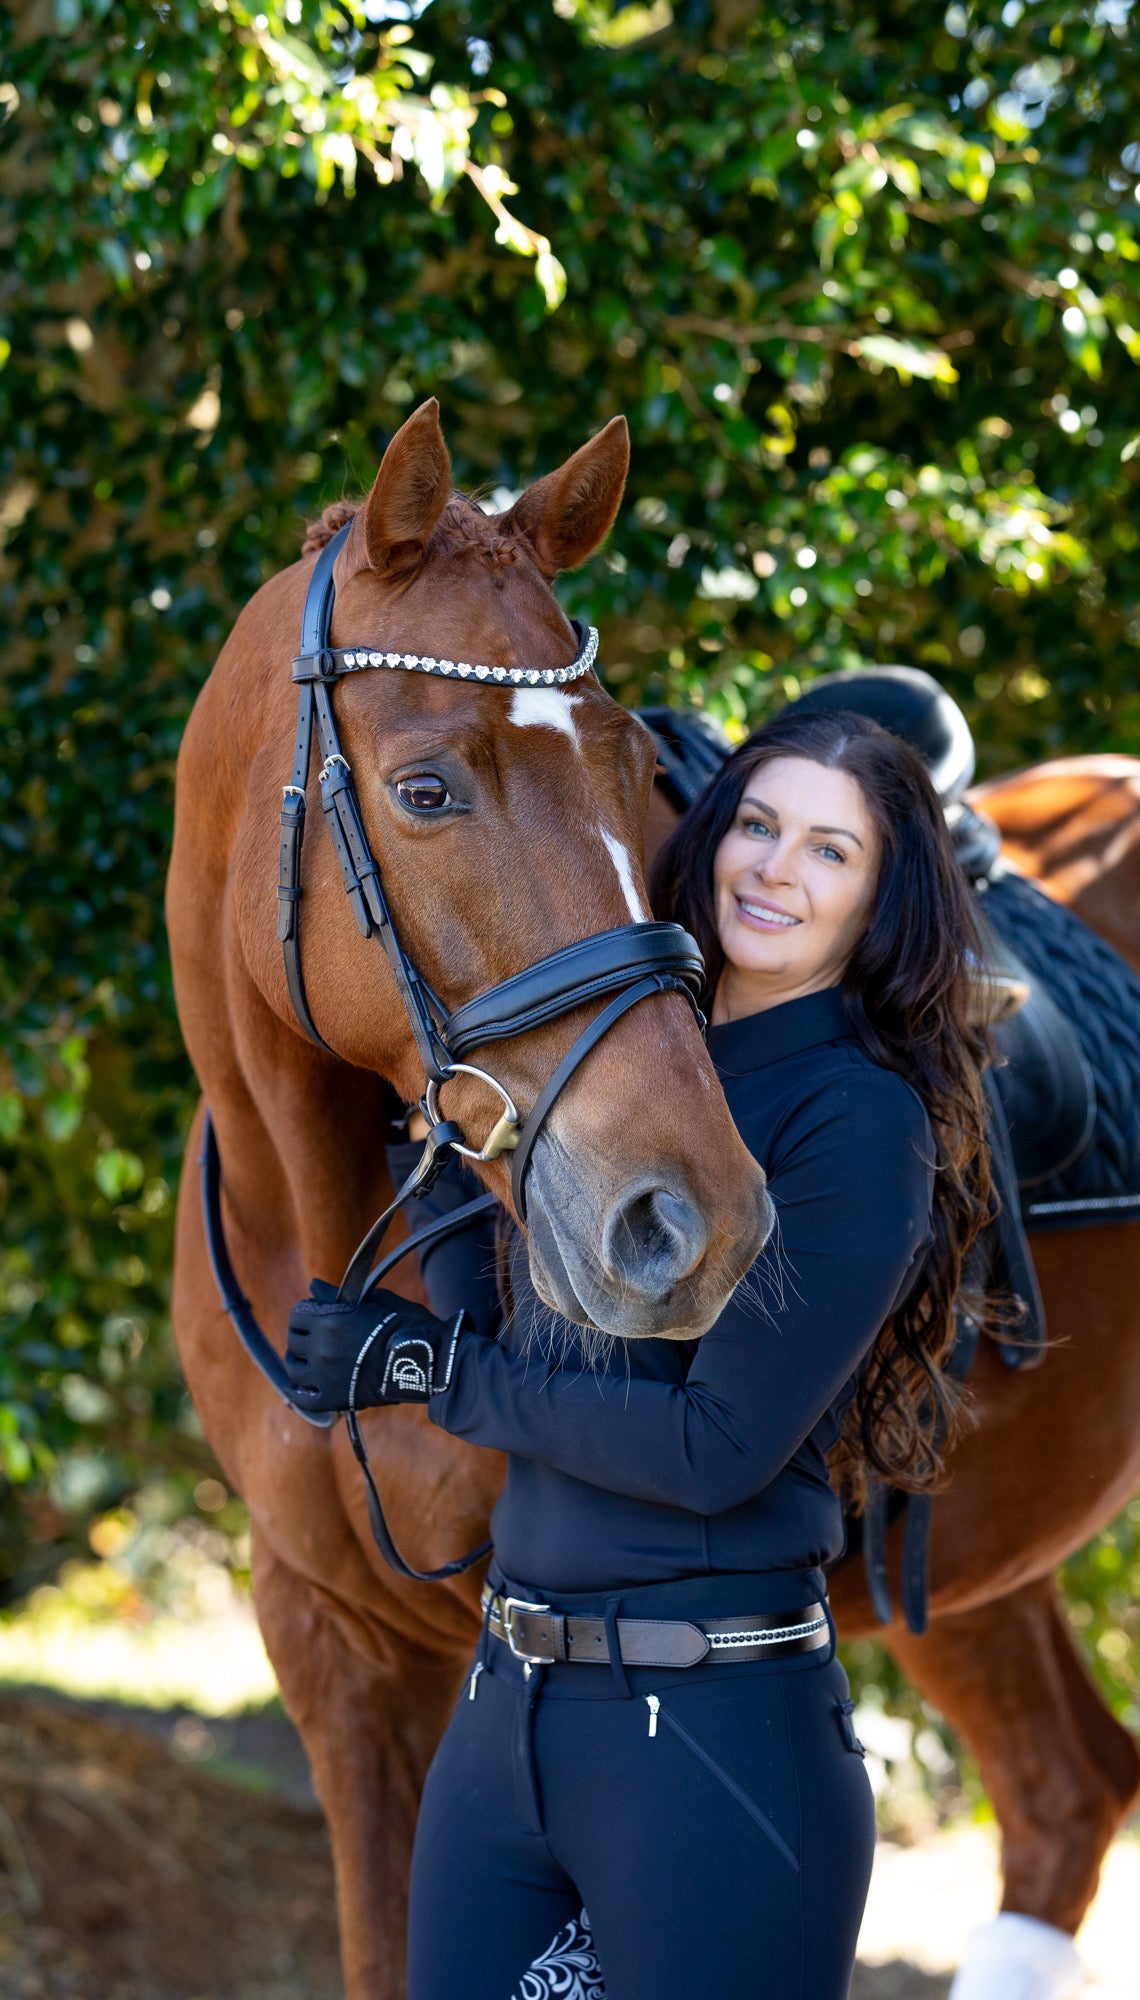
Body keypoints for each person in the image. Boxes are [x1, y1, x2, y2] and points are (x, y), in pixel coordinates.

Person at [285, 707, 992, 2000]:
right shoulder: (612, 1071)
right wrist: (430, 1143)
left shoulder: (854, 1119)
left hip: (713, 1739)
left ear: (879, 903)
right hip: (504, 1716)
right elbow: (513, 1336)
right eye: (758, 826)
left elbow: (715, 1449)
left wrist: (431, 1375)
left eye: (829, 851)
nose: (775, 869)